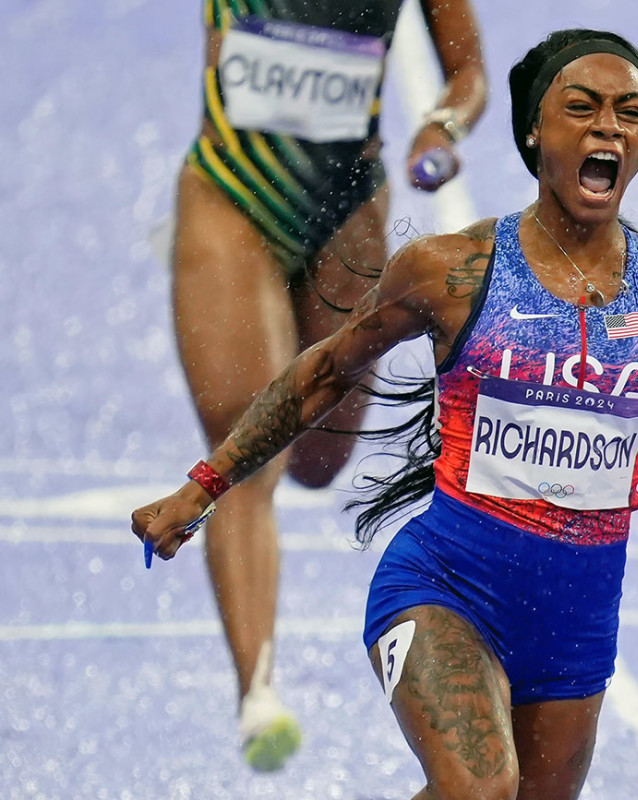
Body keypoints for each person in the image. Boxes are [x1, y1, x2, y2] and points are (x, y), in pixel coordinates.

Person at [135, 29, 638, 798]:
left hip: (575, 632)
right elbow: (320, 375)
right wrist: (204, 486)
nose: (609, 125)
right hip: (443, 588)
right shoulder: (451, 272)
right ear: (532, 133)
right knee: (483, 790)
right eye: (582, 106)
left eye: (630, 111)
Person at [170, 0, 486, 772]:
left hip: (348, 207)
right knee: (249, 450)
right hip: (231, 198)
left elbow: (468, 67)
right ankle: (260, 694)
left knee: (319, 460)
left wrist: (444, 123)